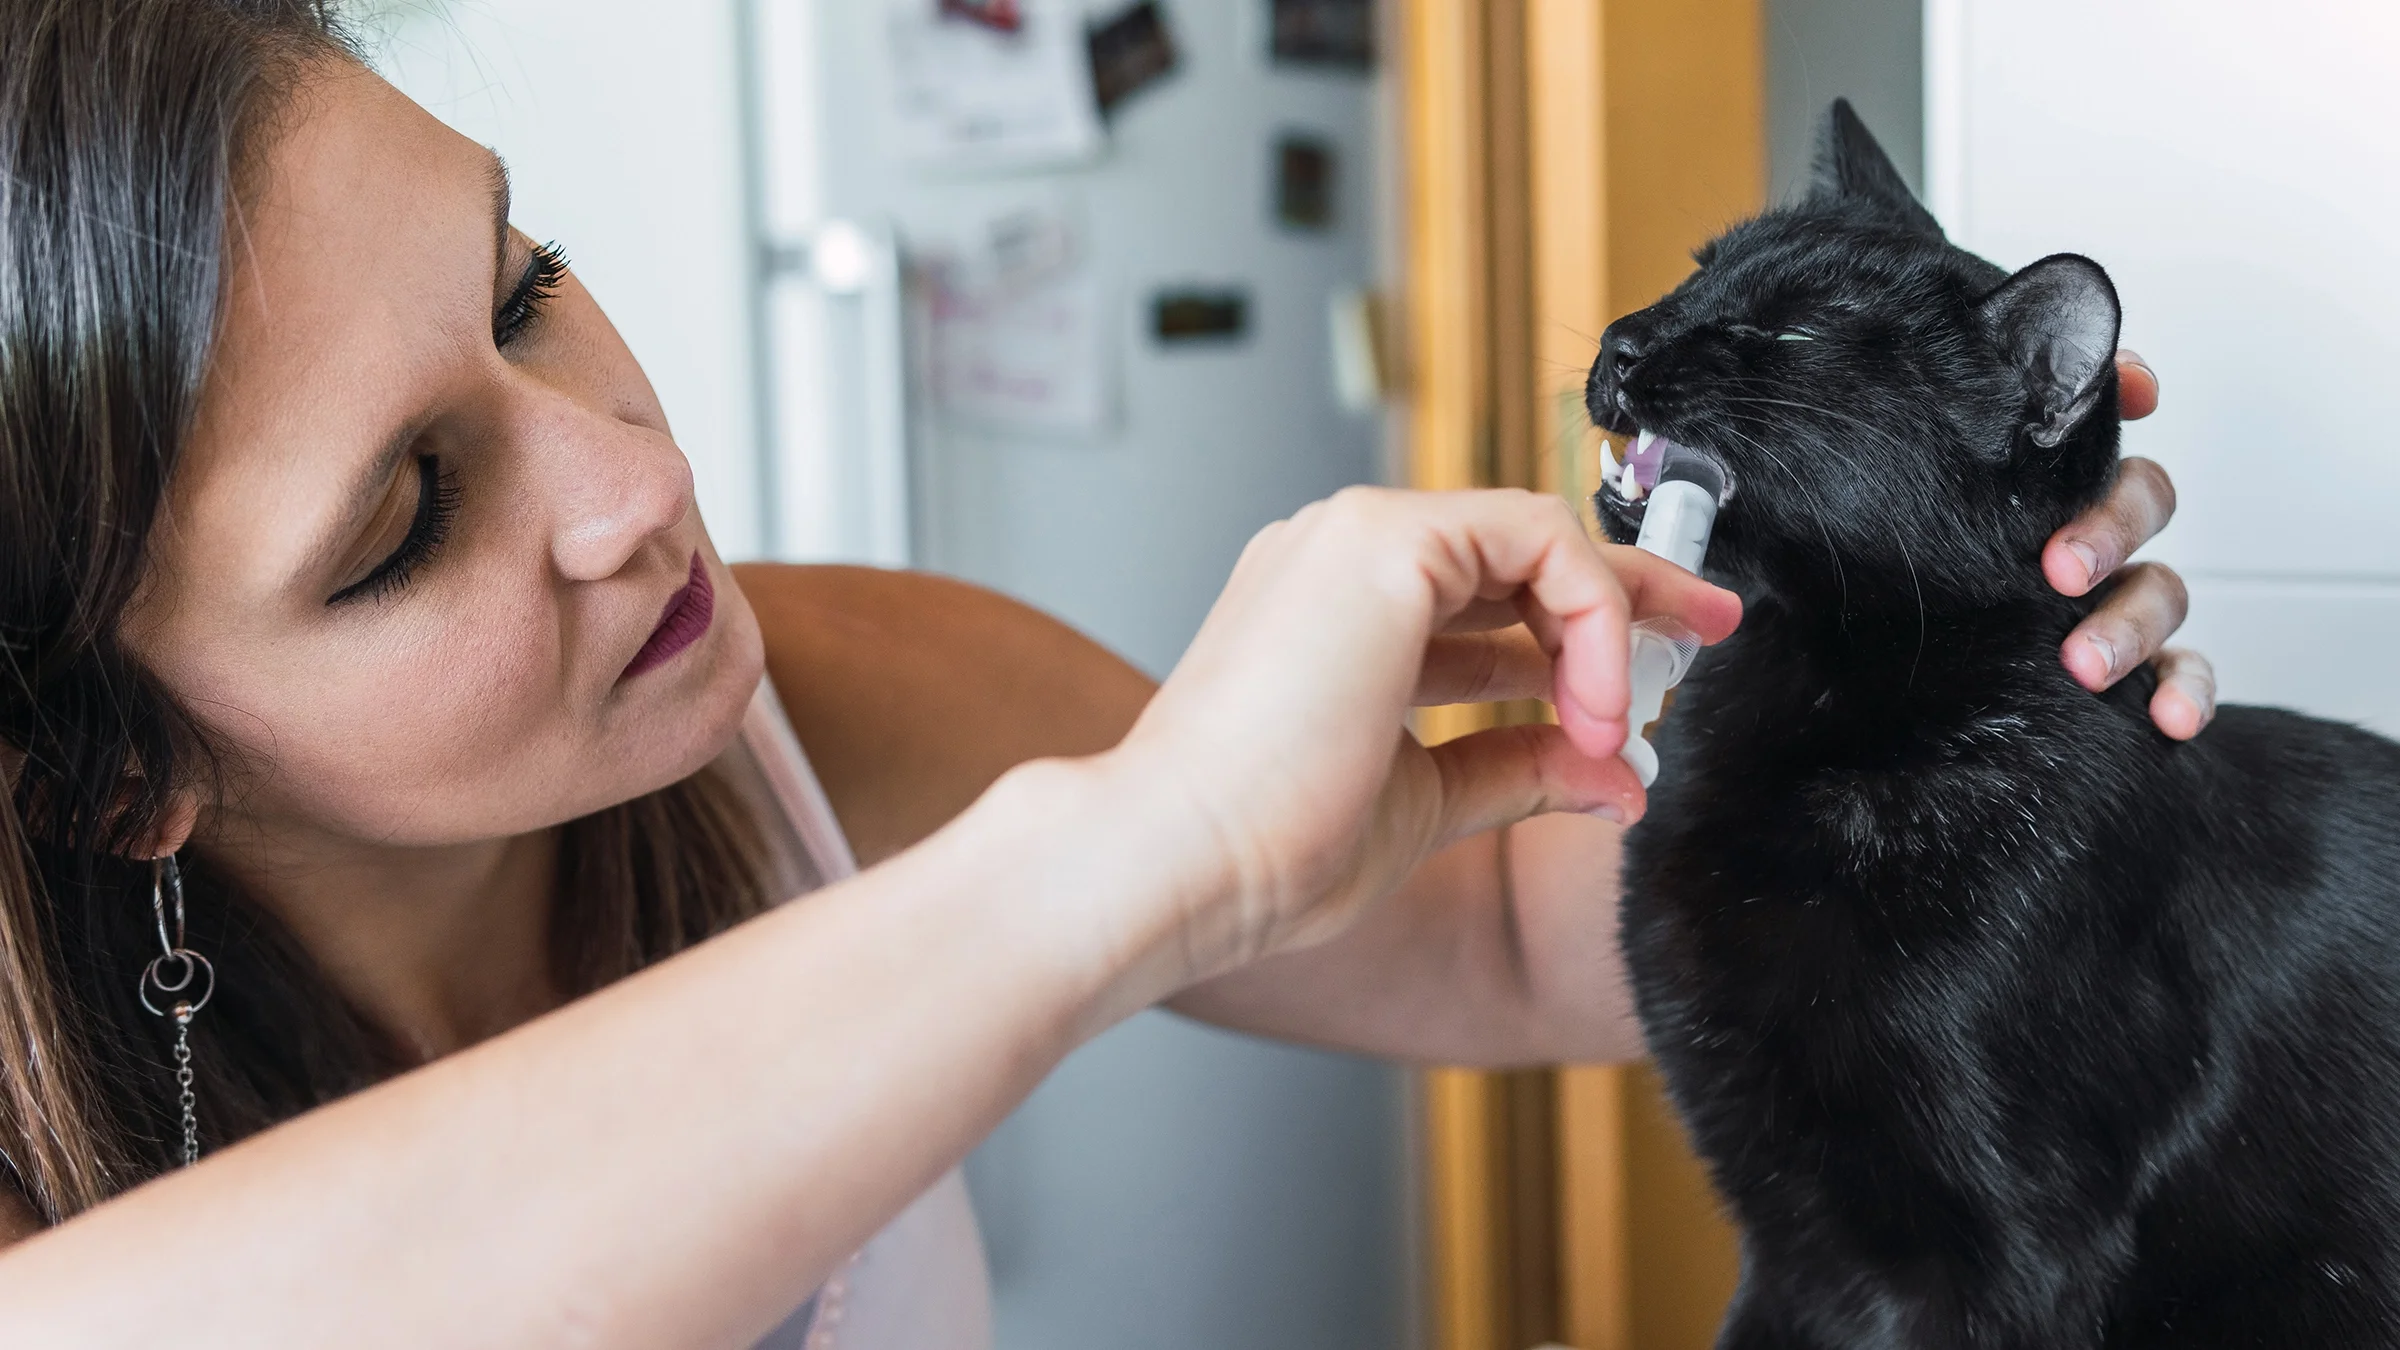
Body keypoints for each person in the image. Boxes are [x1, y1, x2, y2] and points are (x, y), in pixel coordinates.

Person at [0, 2, 2213, 1345]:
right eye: (404, 520)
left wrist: (1954, 679)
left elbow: (1543, 932)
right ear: (123, 773)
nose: (630, 485)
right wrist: (1118, 864)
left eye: (525, 286)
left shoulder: (815, 700)